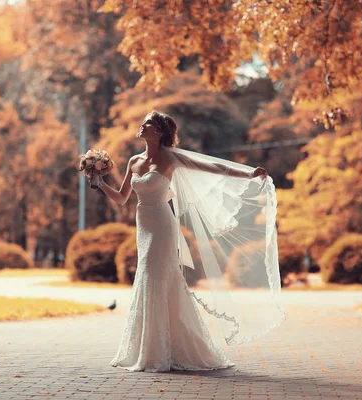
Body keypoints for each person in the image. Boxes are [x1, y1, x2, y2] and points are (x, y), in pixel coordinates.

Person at [93, 110, 280, 373]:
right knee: (149, 278)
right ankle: (149, 348)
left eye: (147, 123)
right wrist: (99, 182)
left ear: (158, 131)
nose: (141, 125)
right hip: (143, 225)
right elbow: (123, 198)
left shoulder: (171, 158)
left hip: (162, 225)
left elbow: (213, 167)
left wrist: (248, 174)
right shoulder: (134, 161)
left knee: (155, 276)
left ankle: (161, 351)